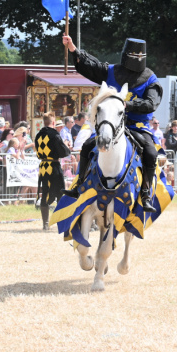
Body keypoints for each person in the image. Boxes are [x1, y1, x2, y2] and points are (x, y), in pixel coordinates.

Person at [62, 34, 162, 212]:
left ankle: (145, 193)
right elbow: (92, 66)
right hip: (109, 125)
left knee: (151, 153)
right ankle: (79, 185)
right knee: (86, 146)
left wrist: (128, 105)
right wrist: (72, 48)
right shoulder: (111, 71)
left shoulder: (150, 79)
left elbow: (151, 103)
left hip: (136, 126)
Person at [35, 112, 71, 230]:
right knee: (60, 193)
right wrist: (65, 145)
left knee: (45, 193)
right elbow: (64, 152)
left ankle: (45, 223)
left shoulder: (38, 135)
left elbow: (38, 153)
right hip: (54, 166)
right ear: (53, 122)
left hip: (44, 167)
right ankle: (61, 223)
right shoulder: (54, 134)